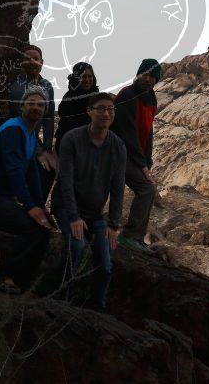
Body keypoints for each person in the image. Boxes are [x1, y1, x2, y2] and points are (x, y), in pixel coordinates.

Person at [0, 85, 52, 294]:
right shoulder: (12, 129)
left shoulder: (31, 133)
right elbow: (14, 171)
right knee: (33, 229)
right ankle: (6, 277)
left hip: (2, 199)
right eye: (31, 103)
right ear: (21, 106)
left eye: (41, 104)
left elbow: (31, 172)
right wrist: (30, 206)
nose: (36, 107)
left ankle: (24, 283)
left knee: (43, 229)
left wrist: (40, 206)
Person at [52, 92, 126, 312]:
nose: (106, 113)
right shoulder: (72, 139)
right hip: (66, 206)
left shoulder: (118, 146)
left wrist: (113, 224)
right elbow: (65, 180)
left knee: (104, 264)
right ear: (89, 112)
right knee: (77, 245)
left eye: (111, 110)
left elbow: (118, 186)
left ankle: (97, 308)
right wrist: (73, 217)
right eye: (101, 108)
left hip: (95, 214)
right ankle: (63, 299)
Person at [111, 58, 162, 253]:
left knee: (149, 188)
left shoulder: (150, 98)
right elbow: (127, 133)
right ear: (138, 74)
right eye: (145, 74)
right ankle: (130, 236)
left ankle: (137, 237)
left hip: (130, 154)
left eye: (152, 76)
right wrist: (141, 165)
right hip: (116, 151)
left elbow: (147, 132)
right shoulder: (128, 95)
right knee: (146, 188)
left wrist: (147, 162)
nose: (148, 79)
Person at [7, 45, 56, 201]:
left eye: (35, 58)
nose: (32, 62)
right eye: (27, 58)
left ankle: (37, 205)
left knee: (49, 170)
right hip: (17, 139)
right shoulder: (16, 88)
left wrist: (47, 148)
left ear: (42, 62)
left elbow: (48, 118)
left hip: (34, 139)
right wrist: (39, 153)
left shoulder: (47, 86)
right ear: (21, 62)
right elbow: (22, 124)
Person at [53, 62, 99, 154]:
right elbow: (64, 117)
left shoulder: (97, 97)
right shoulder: (69, 97)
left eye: (90, 76)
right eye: (83, 76)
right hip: (70, 146)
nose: (87, 80)